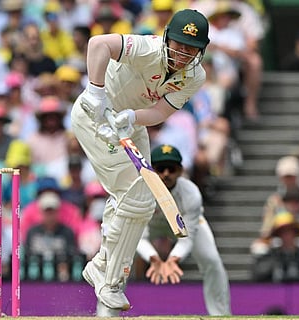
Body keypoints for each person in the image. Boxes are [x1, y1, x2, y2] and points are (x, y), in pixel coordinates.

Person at [70, 8, 210, 316]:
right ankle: (110, 282)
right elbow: (98, 44)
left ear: (201, 50)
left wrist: (132, 116)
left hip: (127, 125)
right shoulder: (146, 48)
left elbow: (159, 113)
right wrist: (95, 93)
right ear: (166, 39)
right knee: (137, 196)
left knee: (141, 202)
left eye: (191, 49)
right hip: (94, 118)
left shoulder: (195, 76)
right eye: (178, 44)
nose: (183, 53)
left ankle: (102, 266)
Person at [136, 144, 230, 315]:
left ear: (180, 170)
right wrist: (153, 258)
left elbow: (187, 237)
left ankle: (221, 315)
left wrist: (173, 259)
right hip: (150, 226)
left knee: (212, 261)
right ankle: (106, 315)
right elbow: (138, 238)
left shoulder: (191, 193)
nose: (166, 174)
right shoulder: (139, 192)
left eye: (171, 169)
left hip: (185, 227)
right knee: (118, 260)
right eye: (160, 168)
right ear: (151, 170)